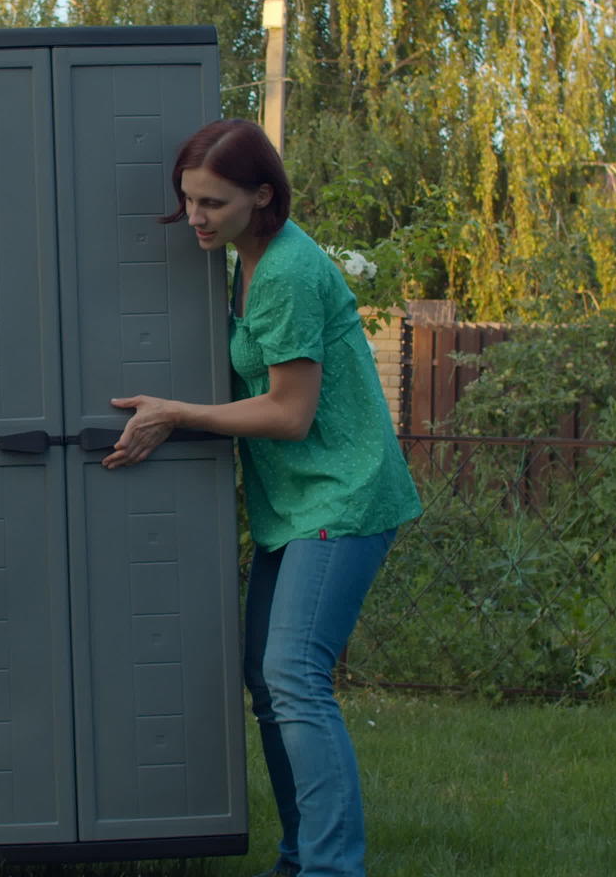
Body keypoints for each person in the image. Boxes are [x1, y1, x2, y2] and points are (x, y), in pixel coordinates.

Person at [101, 118, 421, 877]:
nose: (195, 218)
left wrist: (177, 414)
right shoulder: (244, 260)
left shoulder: (286, 272)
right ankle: (298, 853)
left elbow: (290, 411)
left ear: (261, 196)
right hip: (295, 505)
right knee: (267, 676)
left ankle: (329, 866)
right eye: (188, 201)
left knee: (293, 676)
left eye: (211, 203)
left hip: (342, 497)